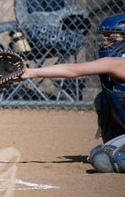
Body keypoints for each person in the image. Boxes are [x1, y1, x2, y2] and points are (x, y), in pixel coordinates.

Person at [21, 14, 125, 173]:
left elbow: (73, 70)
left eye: (110, 36)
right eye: (104, 36)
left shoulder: (118, 63)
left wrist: (29, 72)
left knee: (102, 159)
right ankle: (115, 143)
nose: (104, 41)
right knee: (103, 99)